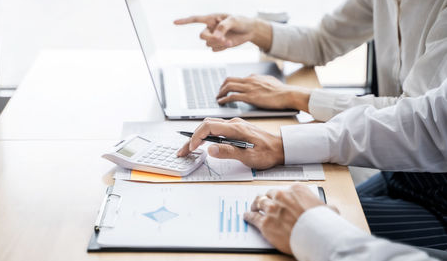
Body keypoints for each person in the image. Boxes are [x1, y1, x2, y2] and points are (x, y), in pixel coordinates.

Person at [175, 0, 447, 249]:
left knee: (276, 227)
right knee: (271, 214)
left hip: (438, 199)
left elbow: (415, 115)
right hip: (398, 172)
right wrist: (255, 30)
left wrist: (294, 97)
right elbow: (325, 40)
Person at [177, 77, 447, 259]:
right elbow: (430, 122)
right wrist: (280, 145)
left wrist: (316, 233)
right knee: (302, 204)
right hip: (408, 176)